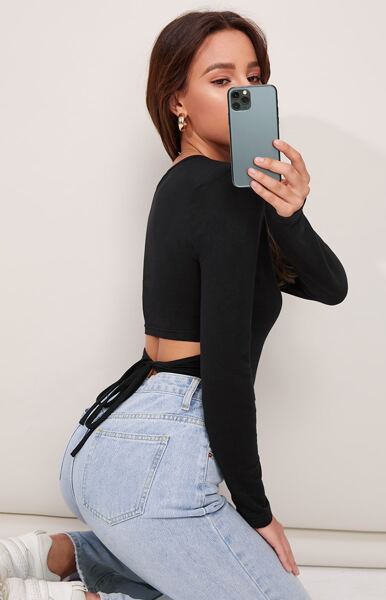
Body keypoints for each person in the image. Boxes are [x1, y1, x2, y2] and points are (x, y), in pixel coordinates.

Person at [0, 10, 347, 600]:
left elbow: (329, 286)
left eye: (254, 78)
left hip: (106, 443)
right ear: (177, 100)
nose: (243, 93)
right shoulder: (220, 194)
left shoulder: (188, 183)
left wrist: (289, 214)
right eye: (221, 79)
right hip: (156, 464)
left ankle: (53, 558)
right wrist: (256, 510)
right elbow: (225, 367)